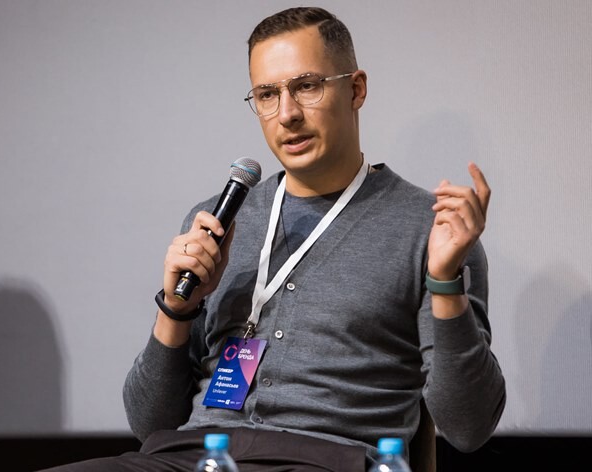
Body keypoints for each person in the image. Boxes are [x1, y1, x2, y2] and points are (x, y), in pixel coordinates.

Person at [42, 6, 505, 472]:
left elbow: (468, 428)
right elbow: (150, 424)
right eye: (267, 94)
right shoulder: (219, 221)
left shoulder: (431, 231)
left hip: (325, 461)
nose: (287, 115)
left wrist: (445, 282)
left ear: (356, 89)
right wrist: (177, 308)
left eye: (307, 86)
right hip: (194, 456)